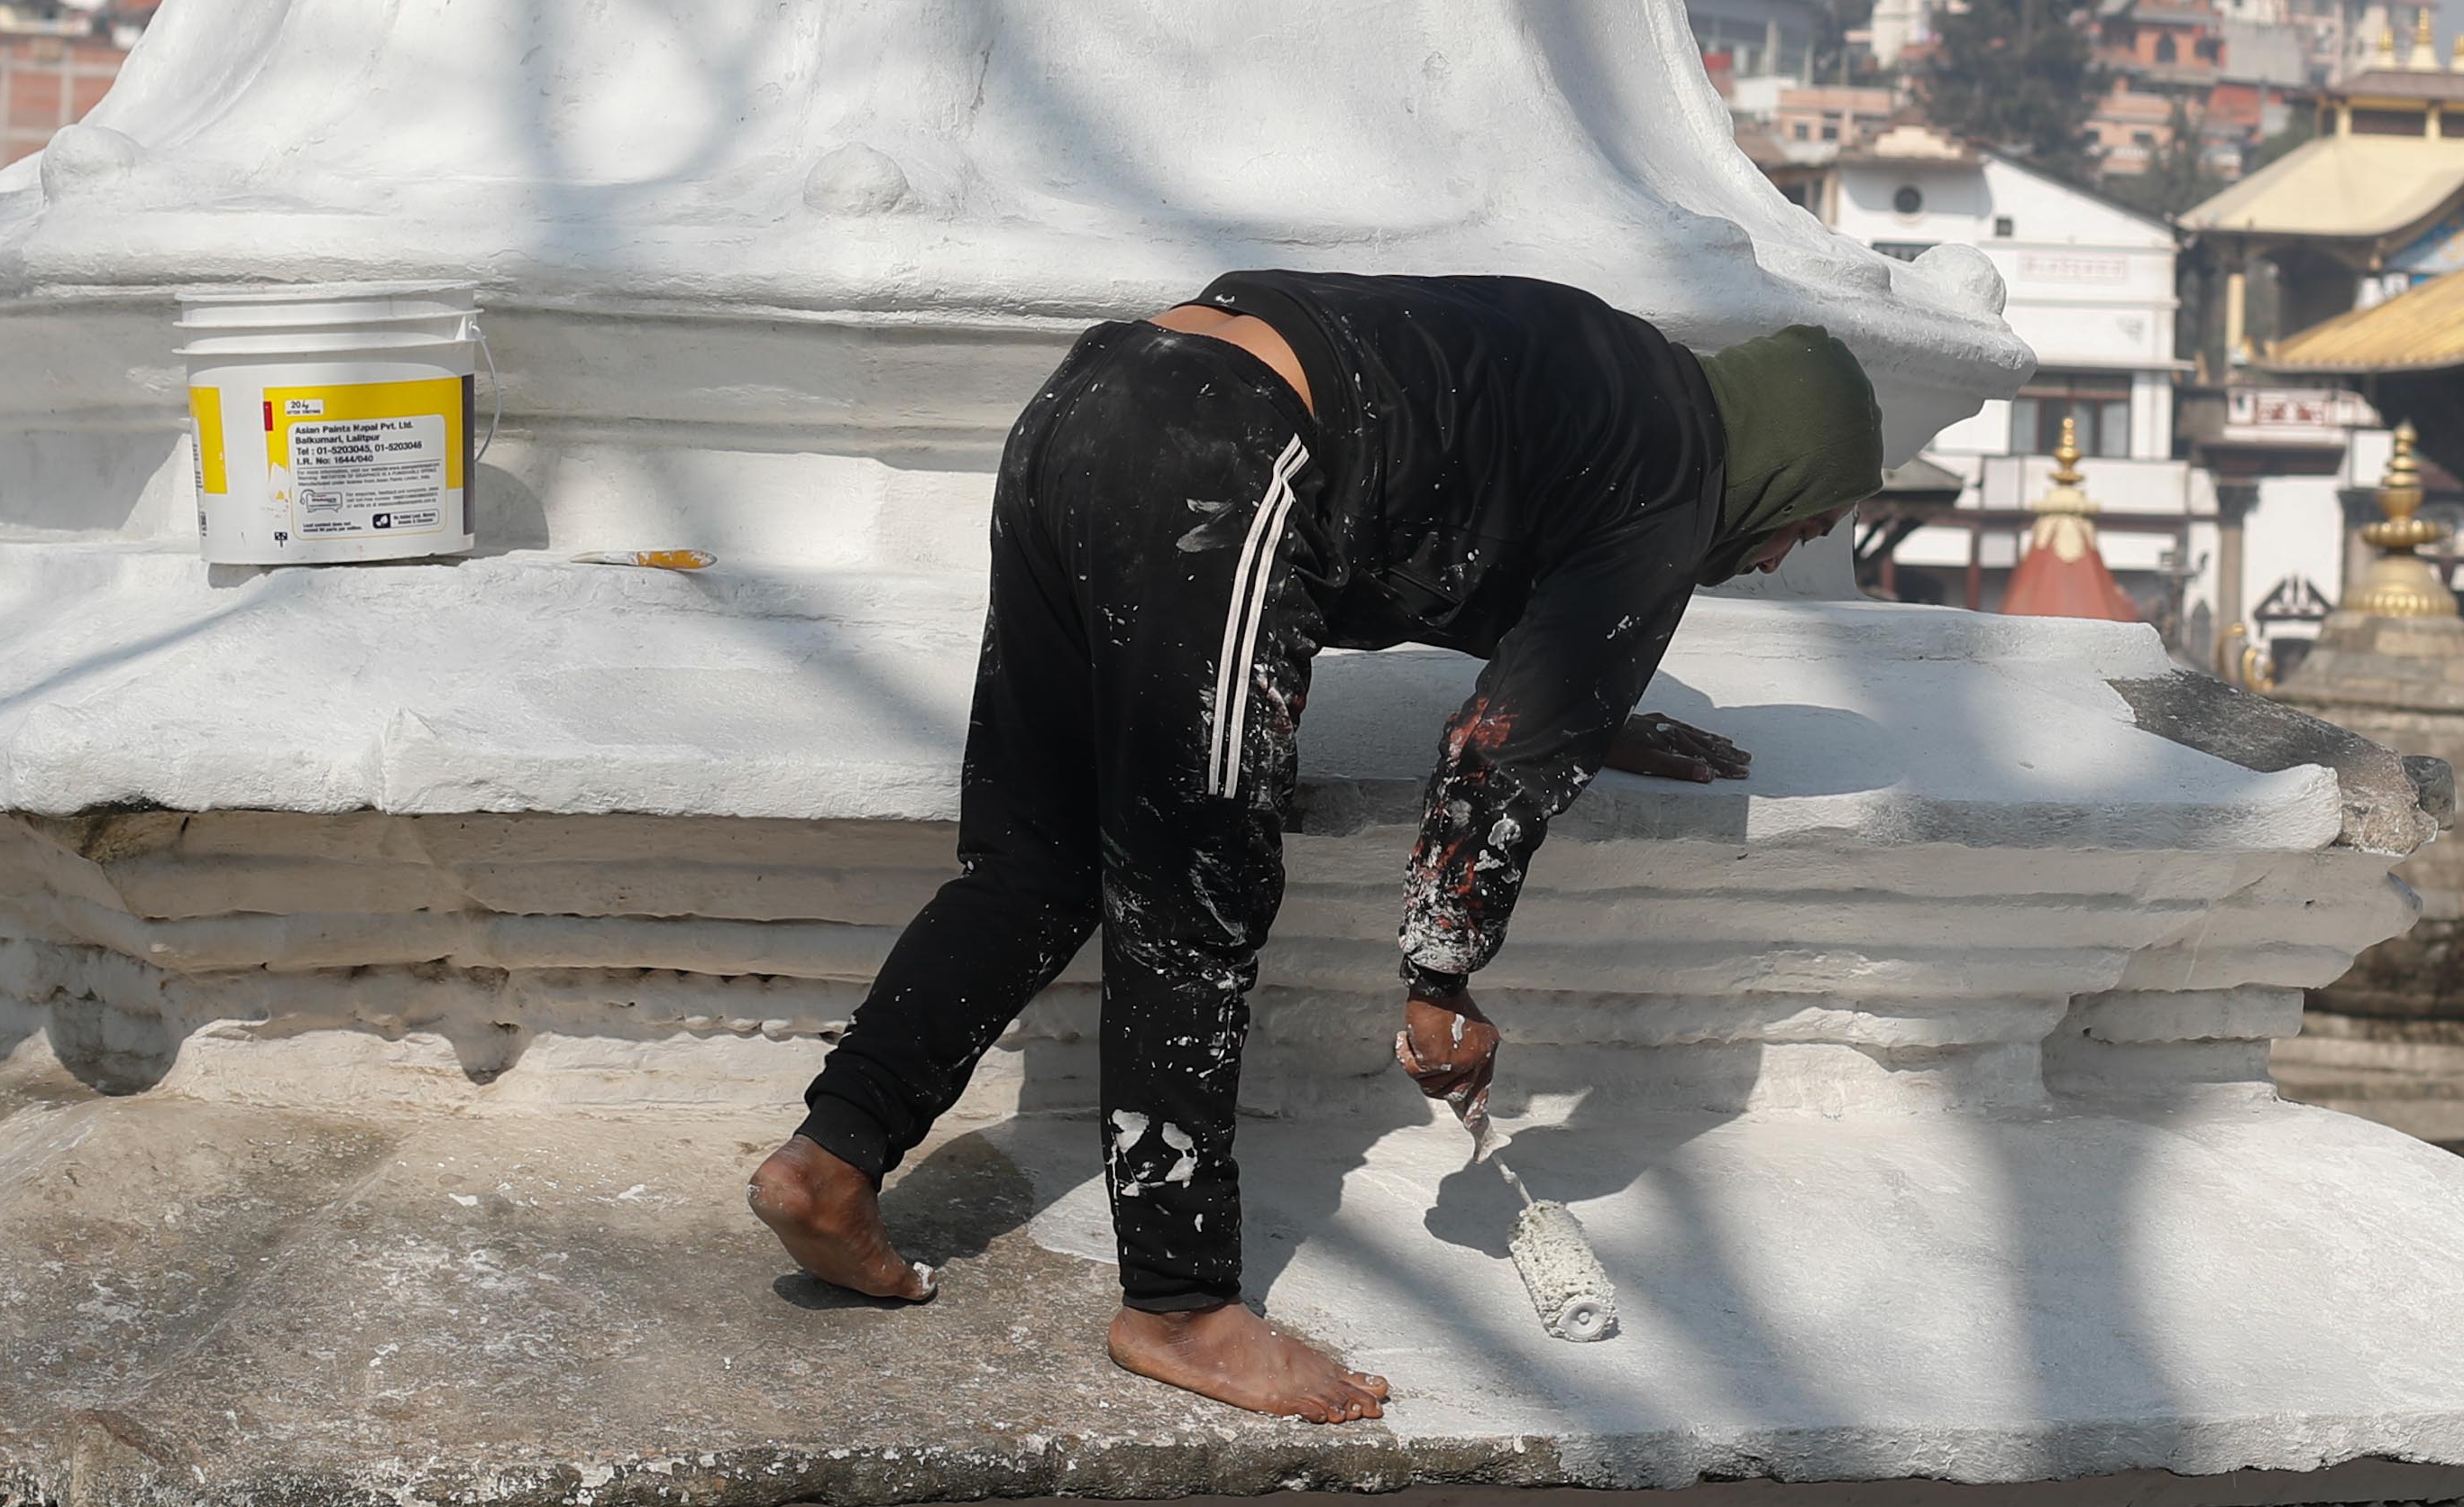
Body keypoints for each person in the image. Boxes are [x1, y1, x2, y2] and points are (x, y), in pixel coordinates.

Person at [747, 273, 1890, 1420]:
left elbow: (1495, 533)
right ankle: (1182, 1309)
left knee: (1037, 856)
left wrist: (1594, 697)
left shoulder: (1625, 379)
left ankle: (832, 1158)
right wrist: (1441, 977)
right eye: (1809, 521)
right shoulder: (1677, 481)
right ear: (1782, 465)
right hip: (1222, 453)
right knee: (1196, 891)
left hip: (1091, 398)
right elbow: (1498, 761)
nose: (1785, 555)